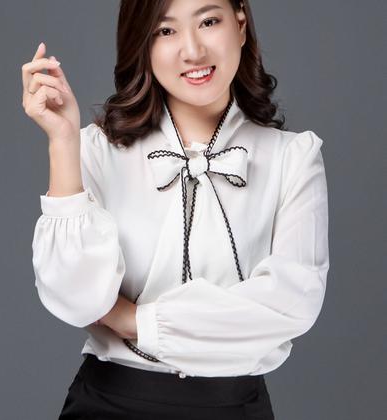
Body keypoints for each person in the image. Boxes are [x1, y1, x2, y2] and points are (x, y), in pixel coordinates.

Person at [22, 0, 330, 418]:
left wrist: (135, 321)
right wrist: (63, 142)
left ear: (240, 24)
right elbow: (77, 300)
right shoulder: (96, 149)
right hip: (109, 404)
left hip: (235, 407)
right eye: (165, 31)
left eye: (209, 21)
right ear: (143, 44)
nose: (193, 51)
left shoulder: (293, 157)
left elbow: (291, 304)